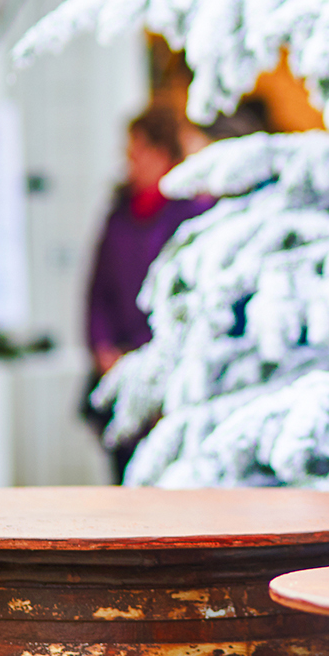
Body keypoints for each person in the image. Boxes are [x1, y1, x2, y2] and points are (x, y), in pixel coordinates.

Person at [83, 103, 213, 482]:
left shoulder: (191, 216)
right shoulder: (119, 215)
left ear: (161, 154)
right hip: (121, 364)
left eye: (136, 151)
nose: (129, 161)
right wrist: (102, 346)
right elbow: (97, 291)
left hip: (168, 371)